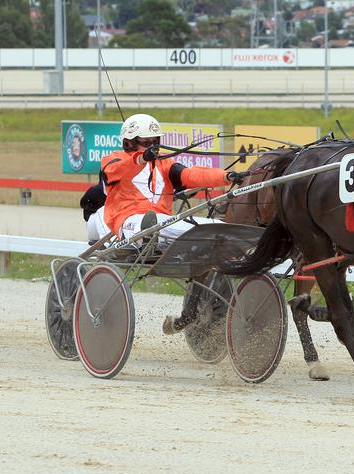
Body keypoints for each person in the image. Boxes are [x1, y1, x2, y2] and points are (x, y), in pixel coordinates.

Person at [83, 113, 243, 335]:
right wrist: (140, 159)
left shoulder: (165, 165)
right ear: (129, 142)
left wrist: (226, 177)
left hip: (163, 224)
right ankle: (157, 233)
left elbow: (191, 175)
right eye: (146, 142)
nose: (153, 147)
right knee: (151, 223)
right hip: (128, 223)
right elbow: (116, 171)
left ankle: (218, 240)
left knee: (214, 224)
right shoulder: (113, 160)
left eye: (155, 142)